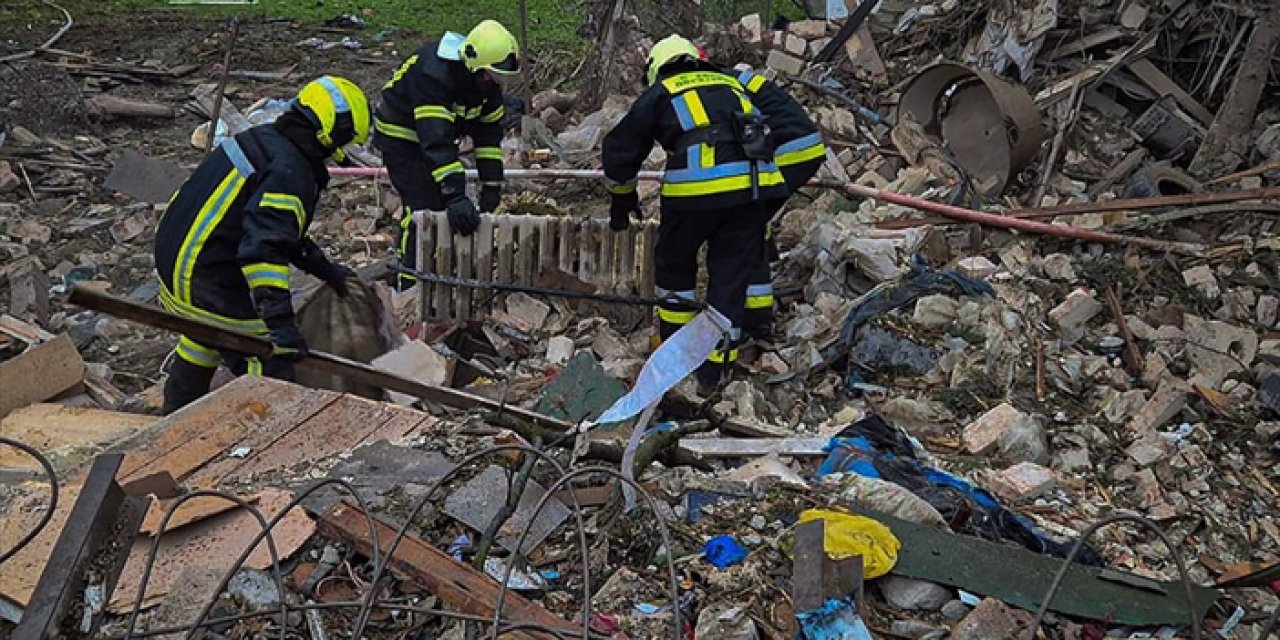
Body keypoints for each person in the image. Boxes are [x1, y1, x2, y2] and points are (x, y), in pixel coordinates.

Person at [154, 75, 370, 414]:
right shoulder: (291, 171)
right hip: (203, 280)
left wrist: (324, 269)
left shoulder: (262, 141)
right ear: (331, 135)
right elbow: (264, 251)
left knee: (202, 336)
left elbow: (277, 232)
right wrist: (280, 327)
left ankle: (173, 414)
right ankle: (260, 434)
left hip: (175, 263)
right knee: (263, 349)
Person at [602, 34, 792, 390]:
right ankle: (714, 373)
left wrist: (621, 197)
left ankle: (676, 350)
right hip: (752, 193)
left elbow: (621, 147)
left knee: (675, 264)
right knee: (730, 277)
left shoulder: (663, 91)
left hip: (695, 195)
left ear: (659, 68)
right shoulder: (729, 82)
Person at [374, 20, 520, 289]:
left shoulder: (487, 87)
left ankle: (439, 272)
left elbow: (488, 138)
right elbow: (437, 141)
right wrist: (455, 195)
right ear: (473, 66)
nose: (495, 83)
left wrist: (492, 187)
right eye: (491, 76)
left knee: (445, 208)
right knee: (422, 207)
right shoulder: (434, 76)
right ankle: (409, 284)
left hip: (436, 136)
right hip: (401, 136)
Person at [732, 65, 826, 338]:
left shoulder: (720, 87)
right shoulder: (731, 79)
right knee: (755, 215)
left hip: (789, 151)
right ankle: (767, 262)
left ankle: (756, 319)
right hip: (801, 145)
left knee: (746, 221)